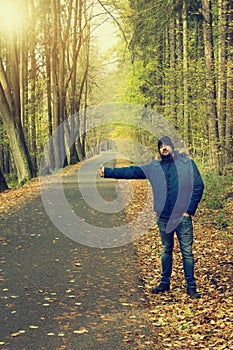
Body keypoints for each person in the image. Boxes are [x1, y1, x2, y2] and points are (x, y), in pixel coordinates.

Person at [98, 136, 204, 298]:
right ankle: (164, 283)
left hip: (182, 217)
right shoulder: (155, 168)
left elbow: (198, 185)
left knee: (187, 252)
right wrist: (108, 172)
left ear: (173, 148)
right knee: (166, 250)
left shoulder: (187, 164)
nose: (164, 148)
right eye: (161, 146)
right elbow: (133, 171)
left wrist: (189, 210)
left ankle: (191, 286)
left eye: (167, 145)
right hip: (163, 216)